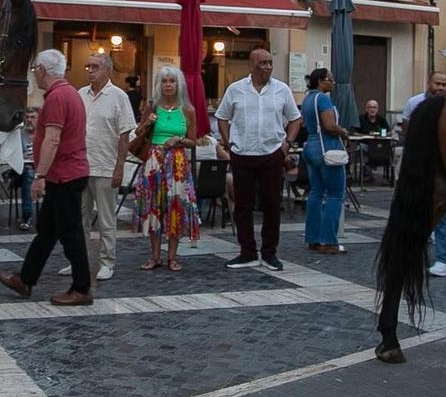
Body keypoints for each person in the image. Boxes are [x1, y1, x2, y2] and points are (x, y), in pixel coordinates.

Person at [0, 50, 91, 305]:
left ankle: (81, 288)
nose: (33, 74)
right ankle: (25, 278)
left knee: (70, 233)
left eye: (34, 70)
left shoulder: (57, 97)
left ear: (42, 70)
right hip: (65, 174)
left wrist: (39, 176)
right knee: (47, 231)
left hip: (64, 176)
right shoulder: (68, 93)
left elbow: (52, 139)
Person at [215, 48, 302, 272]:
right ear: (251, 65)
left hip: (271, 153)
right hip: (242, 153)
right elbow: (222, 117)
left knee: (272, 204)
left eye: (270, 63)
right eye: (262, 63)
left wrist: (287, 145)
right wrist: (228, 142)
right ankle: (247, 251)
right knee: (242, 204)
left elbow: (295, 119)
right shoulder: (236, 90)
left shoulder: (281, 90)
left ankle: (270, 252)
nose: (267, 67)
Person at [131, 65, 200, 271]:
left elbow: (193, 141)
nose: (168, 85)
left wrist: (178, 139)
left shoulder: (188, 110)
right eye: (164, 81)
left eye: (172, 81)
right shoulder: (152, 107)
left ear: (179, 85)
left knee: (175, 207)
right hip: (153, 160)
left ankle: (172, 256)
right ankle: (154, 256)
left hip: (177, 162)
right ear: (159, 85)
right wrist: (147, 123)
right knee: (154, 207)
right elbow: (137, 132)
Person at [77, 53, 137, 282]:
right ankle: (78, 260)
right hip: (81, 166)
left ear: (107, 70)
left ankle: (106, 262)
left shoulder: (118, 96)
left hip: (105, 165)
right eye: (88, 66)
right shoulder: (80, 94)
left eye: (95, 67)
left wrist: (119, 168)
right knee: (79, 217)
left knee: (105, 218)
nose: (91, 70)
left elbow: (124, 136)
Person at [299, 68, 348, 255]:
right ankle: (328, 241)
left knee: (316, 193)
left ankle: (313, 238)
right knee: (335, 194)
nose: (333, 83)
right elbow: (329, 126)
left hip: (310, 146)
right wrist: (342, 131)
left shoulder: (308, 98)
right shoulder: (324, 99)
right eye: (330, 79)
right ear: (320, 81)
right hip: (327, 148)